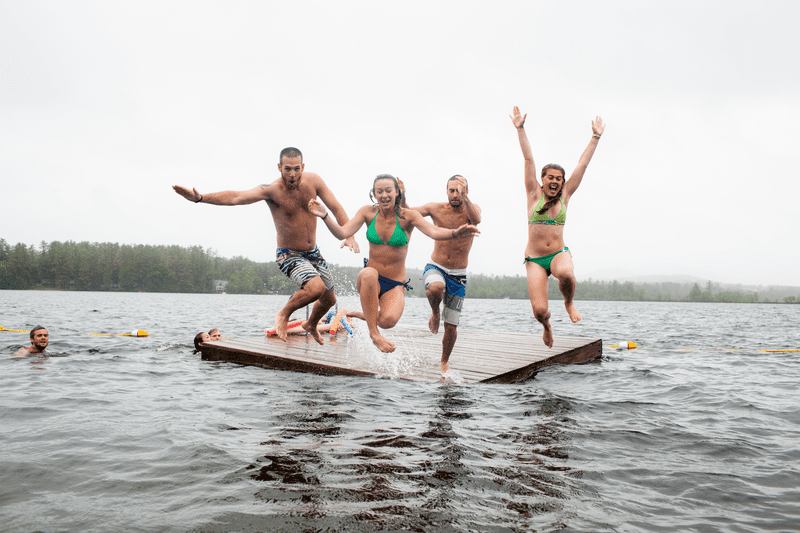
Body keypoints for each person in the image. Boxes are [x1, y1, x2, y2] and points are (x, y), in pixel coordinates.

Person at [173, 147, 359, 345]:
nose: (292, 174)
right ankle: (283, 314)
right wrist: (201, 198)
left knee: (329, 300)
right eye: (287, 169)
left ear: (303, 167)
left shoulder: (314, 181)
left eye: (297, 168)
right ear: (279, 167)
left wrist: (349, 235)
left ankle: (311, 324)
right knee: (315, 288)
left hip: (313, 252)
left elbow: (336, 207)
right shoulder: (272, 190)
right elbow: (236, 198)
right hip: (288, 255)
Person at [308, 174, 480, 353]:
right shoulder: (367, 212)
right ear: (374, 194)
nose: (384, 195)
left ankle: (365, 315)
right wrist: (325, 216)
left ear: (397, 192)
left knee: (387, 322)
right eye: (379, 191)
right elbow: (343, 232)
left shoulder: (408, 216)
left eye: (388, 191)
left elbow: (434, 231)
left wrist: (455, 233)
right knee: (368, 273)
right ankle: (374, 335)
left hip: (395, 284)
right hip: (370, 282)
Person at [510, 106, 605, 348]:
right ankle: (547, 326)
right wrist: (520, 129)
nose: (554, 181)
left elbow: (581, 166)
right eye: (550, 177)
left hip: (558, 254)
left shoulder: (565, 196)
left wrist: (595, 137)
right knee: (540, 310)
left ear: (562, 183)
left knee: (566, 275)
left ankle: (568, 302)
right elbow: (529, 159)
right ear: (542, 180)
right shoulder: (533, 195)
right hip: (534, 259)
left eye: (558, 178)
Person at [412, 175, 481, 377]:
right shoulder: (436, 208)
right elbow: (409, 212)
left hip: (458, 275)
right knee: (435, 288)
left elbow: (477, 219)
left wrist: (466, 199)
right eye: (451, 190)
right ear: (446, 191)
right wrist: (401, 196)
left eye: (459, 190)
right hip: (436, 266)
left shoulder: (472, 210)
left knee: (451, 326)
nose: (455, 194)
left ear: (466, 192)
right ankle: (435, 312)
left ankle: (444, 362)